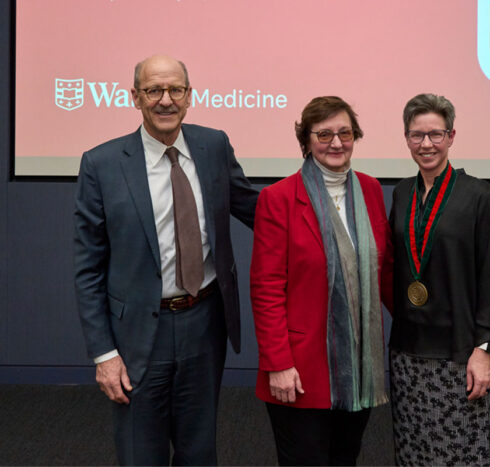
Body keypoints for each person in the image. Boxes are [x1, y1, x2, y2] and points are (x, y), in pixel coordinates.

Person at [73, 54, 258, 465]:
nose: (165, 100)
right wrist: (104, 354)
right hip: (137, 333)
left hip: (205, 322)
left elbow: (255, 209)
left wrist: (315, 210)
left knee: (199, 449)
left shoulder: (213, 146)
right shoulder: (101, 164)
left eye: (175, 89)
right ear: (135, 97)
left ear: (189, 96)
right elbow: (87, 269)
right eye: (154, 90)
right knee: (141, 452)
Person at [250, 96, 392, 466]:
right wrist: (277, 363)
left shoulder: (371, 190)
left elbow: (383, 270)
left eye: (345, 132)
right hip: (299, 371)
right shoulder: (277, 198)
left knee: (345, 459)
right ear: (306, 140)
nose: (336, 142)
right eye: (324, 133)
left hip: (360, 367)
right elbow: (266, 290)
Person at [389, 93, 490, 466]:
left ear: (451, 136)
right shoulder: (402, 193)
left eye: (435, 134)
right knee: (412, 451)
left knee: (459, 454)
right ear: (407, 138)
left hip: (459, 355)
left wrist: (484, 349)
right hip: (407, 352)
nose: (426, 144)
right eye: (416, 135)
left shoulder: (480, 195)